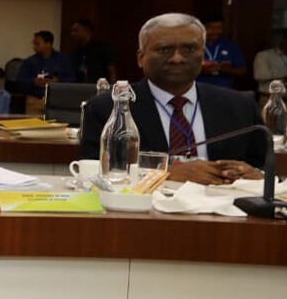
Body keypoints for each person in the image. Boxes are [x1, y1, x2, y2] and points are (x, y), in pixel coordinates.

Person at [80, 13, 264, 185]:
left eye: (189, 49)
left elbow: (264, 170)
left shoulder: (240, 106)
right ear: (141, 57)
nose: (177, 58)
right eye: (164, 49)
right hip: (143, 214)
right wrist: (166, 175)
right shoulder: (107, 107)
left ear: (202, 55)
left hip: (227, 212)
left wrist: (256, 175)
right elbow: (94, 176)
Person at [15, 30, 74, 113]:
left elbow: (72, 80)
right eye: (33, 43)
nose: (34, 47)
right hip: (34, 100)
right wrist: (34, 82)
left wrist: (57, 81)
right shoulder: (29, 61)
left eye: (37, 44)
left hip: (57, 101)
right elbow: (19, 82)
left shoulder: (63, 60)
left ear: (48, 44)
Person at [197, 16, 246, 89]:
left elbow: (242, 70)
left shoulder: (230, 46)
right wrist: (202, 70)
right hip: (199, 90)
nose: (215, 31)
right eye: (211, 28)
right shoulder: (193, 45)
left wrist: (222, 69)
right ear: (202, 28)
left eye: (219, 28)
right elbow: (184, 70)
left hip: (224, 92)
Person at [69, 19, 116, 84]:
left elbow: (112, 72)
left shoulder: (102, 48)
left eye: (76, 31)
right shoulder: (77, 51)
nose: (72, 34)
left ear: (86, 30)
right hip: (80, 88)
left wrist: (111, 90)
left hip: (100, 88)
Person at [253, 29, 287, 100]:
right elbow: (260, 75)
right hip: (270, 99)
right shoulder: (264, 55)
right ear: (283, 40)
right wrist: (283, 76)